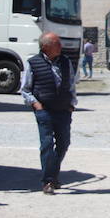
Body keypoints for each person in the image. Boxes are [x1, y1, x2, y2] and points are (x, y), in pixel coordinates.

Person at [20, 32, 77, 194]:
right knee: (47, 145)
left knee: (63, 143)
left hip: (64, 110)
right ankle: (48, 181)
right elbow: (25, 89)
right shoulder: (33, 63)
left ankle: (52, 174)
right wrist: (36, 104)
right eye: (56, 43)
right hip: (44, 110)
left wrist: (72, 104)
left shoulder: (66, 62)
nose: (60, 46)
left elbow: (71, 84)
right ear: (45, 47)